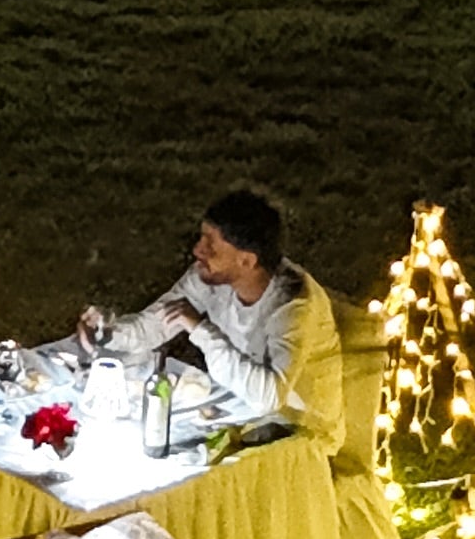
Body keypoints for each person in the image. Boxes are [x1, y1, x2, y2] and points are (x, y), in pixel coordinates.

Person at [86, 190, 344, 447]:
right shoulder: (213, 275)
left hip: (299, 431)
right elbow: (159, 321)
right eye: (201, 238)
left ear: (246, 260)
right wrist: (107, 332)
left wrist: (200, 330)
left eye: (211, 245)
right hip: (238, 409)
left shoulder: (292, 306)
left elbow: (269, 397)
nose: (198, 250)